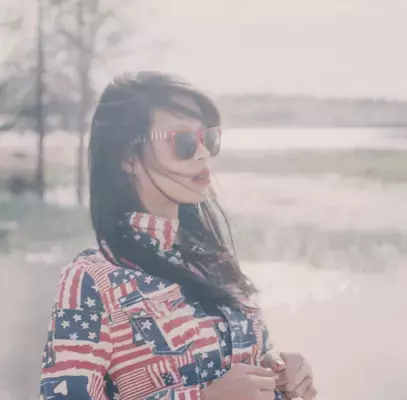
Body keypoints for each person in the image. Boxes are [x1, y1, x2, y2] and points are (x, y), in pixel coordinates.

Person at [39, 71, 317, 400]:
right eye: (183, 142)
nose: (202, 154)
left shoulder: (212, 261)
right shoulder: (92, 280)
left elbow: (240, 370)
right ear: (127, 156)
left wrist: (280, 373)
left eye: (208, 139)